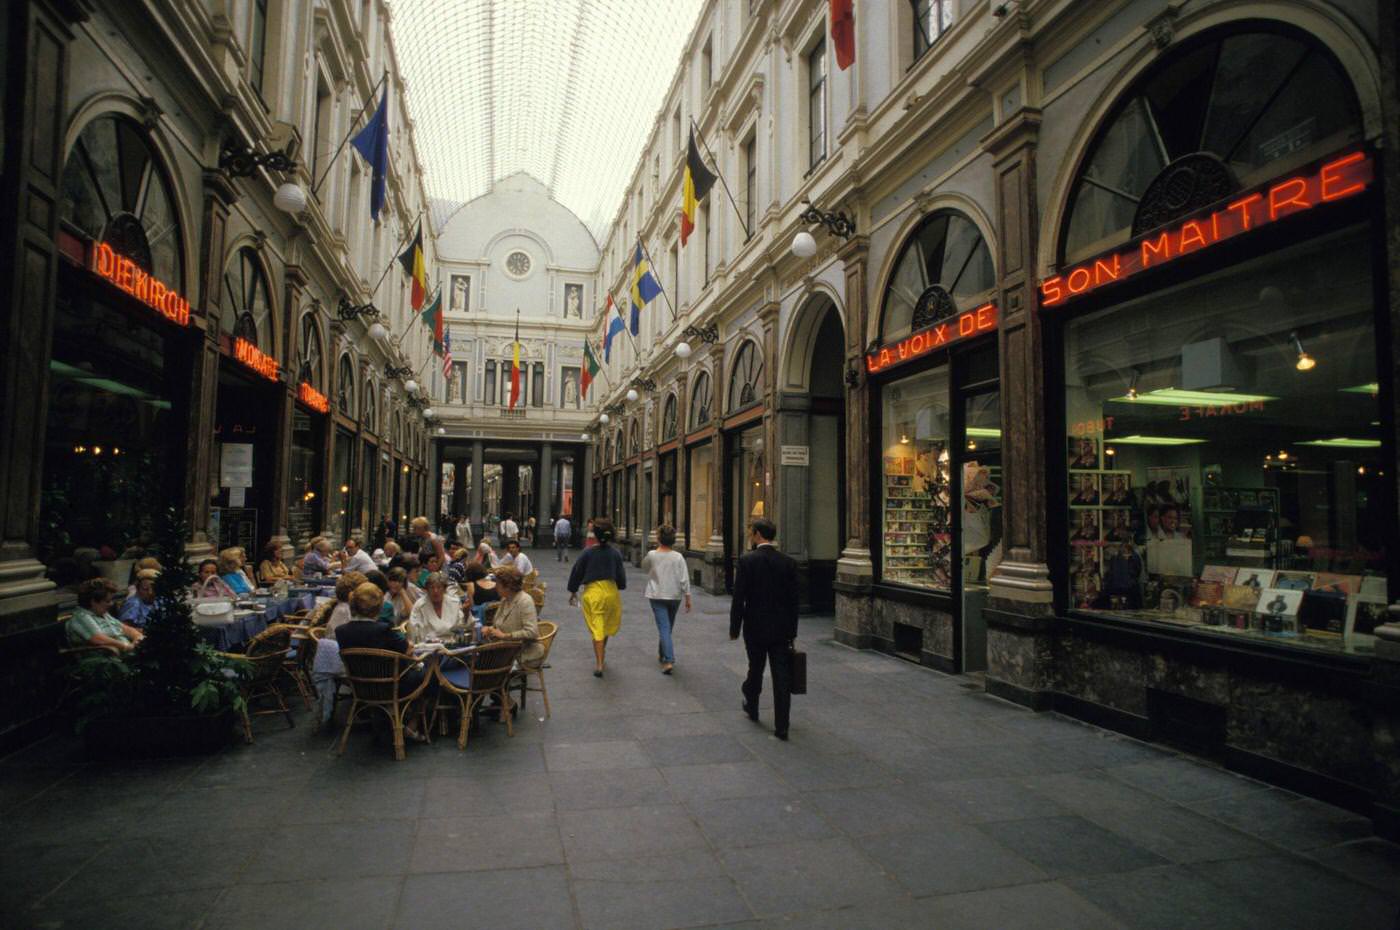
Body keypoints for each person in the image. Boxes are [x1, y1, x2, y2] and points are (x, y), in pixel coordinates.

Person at [729, 518, 799, 741]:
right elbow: (793, 601)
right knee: (781, 676)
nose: (750, 536)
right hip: (781, 628)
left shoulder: (747, 561)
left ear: (758, 534)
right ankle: (782, 726)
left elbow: (739, 597)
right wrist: (792, 630)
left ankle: (752, 703)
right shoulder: (787, 562)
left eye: (751, 532)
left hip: (755, 626)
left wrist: (735, 627)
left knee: (755, 668)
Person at [335, 582, 428, 742]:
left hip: (359, 687)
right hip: (391, 686)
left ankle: (387, 717)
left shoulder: (341, 631)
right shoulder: (383, 630)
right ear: (378, 607)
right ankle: (412, 724)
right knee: (427, 676)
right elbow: (408, 650)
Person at [567, 518, 627, 677]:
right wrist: (620, 585)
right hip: (611, 593)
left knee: (597, 627)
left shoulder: (588, 552)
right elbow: (621, 576)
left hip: (593, 593)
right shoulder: (615, 553)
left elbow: (577, 571)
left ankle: (599, 664)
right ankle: (602, 652)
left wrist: (573, 590)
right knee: (605, 625)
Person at [642, 524, 691, 674]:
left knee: (664, 627)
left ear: (658, 539)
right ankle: (663, 653)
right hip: (675, 596)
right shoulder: (678, 557)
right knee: (667, 627)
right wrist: (688, 597)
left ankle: (668, 660)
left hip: (657, 595)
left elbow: (645, 568)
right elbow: (684, 578)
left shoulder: (652, 555)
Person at [481, 565, 544, 668]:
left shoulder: (525, 601)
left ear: (508, 586)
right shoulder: (505, 599)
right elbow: (499, 625)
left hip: (524, 652)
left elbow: (532, 632)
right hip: (505, 649)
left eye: (498, 584)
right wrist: (490, 629)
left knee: (482, 664)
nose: (495, 586)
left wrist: (505, 636)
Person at [67, 578, 143, 652]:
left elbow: (126, 629)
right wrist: (126, 646)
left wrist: (138, 638)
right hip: (107, 658)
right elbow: (98, 639)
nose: (111, 604)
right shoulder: (82, 617)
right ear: (93, 602)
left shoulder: (103, 613)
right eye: (108, 601)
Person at [408, 571, 465, 643]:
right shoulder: (420, 605)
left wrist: (466, 611)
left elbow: (462, 626)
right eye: (432, 588)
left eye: (439, 587)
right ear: (427, 590)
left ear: (444, 589)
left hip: (451, 645)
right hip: (427, 647)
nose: (435, 591)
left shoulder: (454, 602)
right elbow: (413, 631)